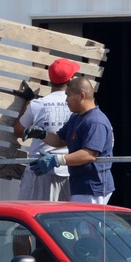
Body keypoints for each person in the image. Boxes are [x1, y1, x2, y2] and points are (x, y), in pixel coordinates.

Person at [29, 76, 115, 204]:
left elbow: (89, 154)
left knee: (89, 224)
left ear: (81, 96)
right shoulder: (76, 117)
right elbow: (60, 140)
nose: (66, 100)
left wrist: (56, 160)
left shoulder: (96, 121)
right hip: (80, 186)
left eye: (68, 95)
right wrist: (42, 134)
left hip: (93, 187)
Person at [15, 57, 81, 201]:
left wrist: (27, 101)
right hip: (69, 169)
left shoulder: (37, 104)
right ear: (71, 79)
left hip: (39, 170)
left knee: (35, 216)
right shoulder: (79, 105)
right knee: (69, 219)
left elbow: (19, 131)